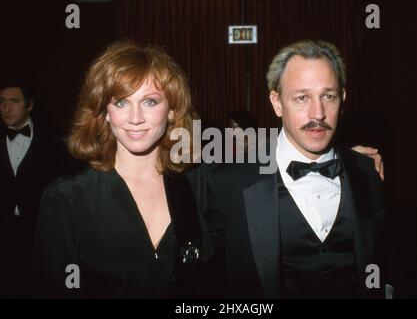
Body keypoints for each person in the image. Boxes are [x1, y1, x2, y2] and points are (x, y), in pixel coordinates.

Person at [204, 40, 390, 298]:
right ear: (277, 102)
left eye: (328, 96)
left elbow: (382, 265)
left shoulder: (367, 171)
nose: (318, 113)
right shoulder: (229, 183)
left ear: (343, 100)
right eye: (302, 97)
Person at [32, 41, 213, 298]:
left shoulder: (198, 185)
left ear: (172, 110)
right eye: (121, 103)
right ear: (105, 112)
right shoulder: (67, 197)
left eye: (150, 102)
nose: (135, 117)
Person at [0, 83, 67, 298]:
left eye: (14, 101)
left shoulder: (54, 142)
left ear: (29, 105)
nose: (6, 108)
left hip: (41, 232)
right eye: (1, 102)